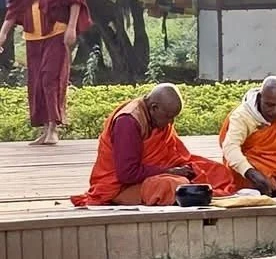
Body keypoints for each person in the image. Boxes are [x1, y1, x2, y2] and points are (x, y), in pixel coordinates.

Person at [72, 84, 237, 207]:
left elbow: (172, 152)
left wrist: (182, 167)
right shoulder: (128, 122)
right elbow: (127, 174)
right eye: (168, 117)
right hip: (121, 187)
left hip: (154, 172)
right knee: (175, 185)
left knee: (216, 171)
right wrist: (168, 171)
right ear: (154, 108)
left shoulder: (155, 118)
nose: (171, 123)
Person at [0, 0, 90, 145]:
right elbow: (15, 5)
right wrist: (3, 33)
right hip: (32, 34)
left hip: (56, 31)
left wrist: (71, 28)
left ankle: (53, 128)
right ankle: (43, 129)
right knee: (37, 82)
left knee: (52, 77)